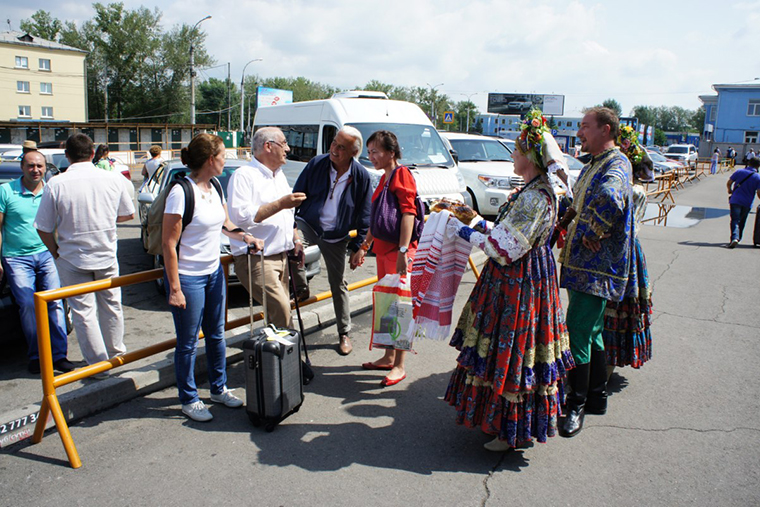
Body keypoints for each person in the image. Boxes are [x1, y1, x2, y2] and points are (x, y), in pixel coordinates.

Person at [444, 110, 575, 451]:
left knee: (515, 351)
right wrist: (474, 219)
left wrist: (462, 230)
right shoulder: (535, 189)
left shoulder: (535, 197)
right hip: (524, 276)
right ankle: (500, 422)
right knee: (510, 350)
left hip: (519, 282)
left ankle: (510, 430)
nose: (512, 156)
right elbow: (506, 234)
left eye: (516, 151)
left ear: (530, 156)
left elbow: (503, 249)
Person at [162, 133, 263, 422]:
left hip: (214, 272)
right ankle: (189, 398)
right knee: (188, 342)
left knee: (217, 334)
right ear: (210, 159)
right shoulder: (181, 192)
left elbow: (226, 223)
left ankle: (218, 389)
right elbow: (169, 244)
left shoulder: (216, 185)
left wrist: (245, 235)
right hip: (189, 277)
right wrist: (175, 288)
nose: (225, 160)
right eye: (222, 155)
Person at [558, 107, 634, 438]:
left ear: (605, 130)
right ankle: (596, 397)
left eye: (585, 127)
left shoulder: (615, 164)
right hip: (586, 268)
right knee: (592, 332)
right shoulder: (598, 164)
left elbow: (611, 198)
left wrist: (593, 230)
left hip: (595, 269)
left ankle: (574, 405)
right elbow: (579, 202)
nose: (579, 133)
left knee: (577, 330)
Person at [34, 134, 135, 375]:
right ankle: (117, 356)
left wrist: (55, 252)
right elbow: (129, 214)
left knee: (83, 312)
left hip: (71, 257)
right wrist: (106, 219)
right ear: (93, 153)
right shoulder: (112, 179)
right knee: (112, 305)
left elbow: (43, 227)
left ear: (66, 155)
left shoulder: (56, 183)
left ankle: (98, 366)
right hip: (106, 254)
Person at [291, 127, 372, 355]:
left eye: (341, 147)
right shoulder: (317, 164)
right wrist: (292, 227)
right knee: (292, 246)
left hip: (337, 234)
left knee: (339, 284)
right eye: (334, 143)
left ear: (353, 153)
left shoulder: (361, 176)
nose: (334, 149)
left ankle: (344, 333)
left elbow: (366, 214)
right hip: (310, 223)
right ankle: (301, 288)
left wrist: (360, 247)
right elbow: (297, 195)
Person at [0, 151, 75, 374]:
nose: (36, 170)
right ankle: (37, 356)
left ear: (45, 168)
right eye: (31, 166)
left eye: (40, 166)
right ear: (23, 167)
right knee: (28, 306)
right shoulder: (5, 191)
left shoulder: (51, 190)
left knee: (55, 302)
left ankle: (60, 356)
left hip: (47, 254)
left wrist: (62, 252)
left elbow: (62, 223)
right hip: (16, 258)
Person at [355, 130, 418, 387]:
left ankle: (400, 365)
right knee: (386, 305)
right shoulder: (384, 178)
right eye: (369, 152)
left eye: (376, 151)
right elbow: (378, 218)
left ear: (392, 152)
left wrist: (403, 251)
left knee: (401, 307)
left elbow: (408, 214)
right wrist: (364, 245)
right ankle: (388, 356)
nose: (371, 156)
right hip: (384, 252)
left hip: (398, 253)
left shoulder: (401, 175)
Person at [227, 127, 305, 329]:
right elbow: (241, 217)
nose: (288, 148)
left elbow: (287, 215)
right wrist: (281, 203)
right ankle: (290, 358)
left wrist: (296, 239)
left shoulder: (278, 175)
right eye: (284, 143)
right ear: (268, 146)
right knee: (282, 310)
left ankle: (277, 358)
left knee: (278, 313)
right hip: (257, 259)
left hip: (282, 255)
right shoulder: (244, 175)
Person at [604, 125, 654, 373]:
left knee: (617, 305)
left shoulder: (633, 190)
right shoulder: (635, 188)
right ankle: (607, 362)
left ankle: (609, 363)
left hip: (623, 249)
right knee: (614, 308)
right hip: (628, 249)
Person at [726, 158, 760, 248]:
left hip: (735, 200)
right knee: (742, 220)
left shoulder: (740, 172)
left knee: (735, 220)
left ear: (749, 163)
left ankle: (735, 238)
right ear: (758, 166)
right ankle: (738, 238)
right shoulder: (758, 177)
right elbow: (759, 192)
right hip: (747, 202)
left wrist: (729, 190)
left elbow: (729, 182)